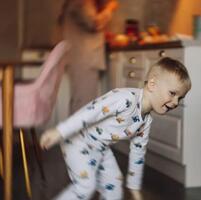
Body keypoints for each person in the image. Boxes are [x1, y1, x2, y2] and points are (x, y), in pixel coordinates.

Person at [40, 57, 192, 200]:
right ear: (152, 85)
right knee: (85, 186)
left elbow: (138, 153)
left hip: (100, 147)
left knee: (114, 186)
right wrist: (60, 131)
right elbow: (91, 111)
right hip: (78, 141)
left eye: (180, 98)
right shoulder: (125, 99)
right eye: (172, 93)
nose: (175, 102)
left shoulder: (145, 121)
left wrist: (133, 186)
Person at [57, 0, 118, 114]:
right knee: (84, 103)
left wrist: (103, 36)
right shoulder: (82, 2)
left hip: (79, 57)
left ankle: (75, 131)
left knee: (80, 100)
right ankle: (80, 131)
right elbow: (94, 23)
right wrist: (110, 8)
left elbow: (85, 26)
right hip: (84, 58)